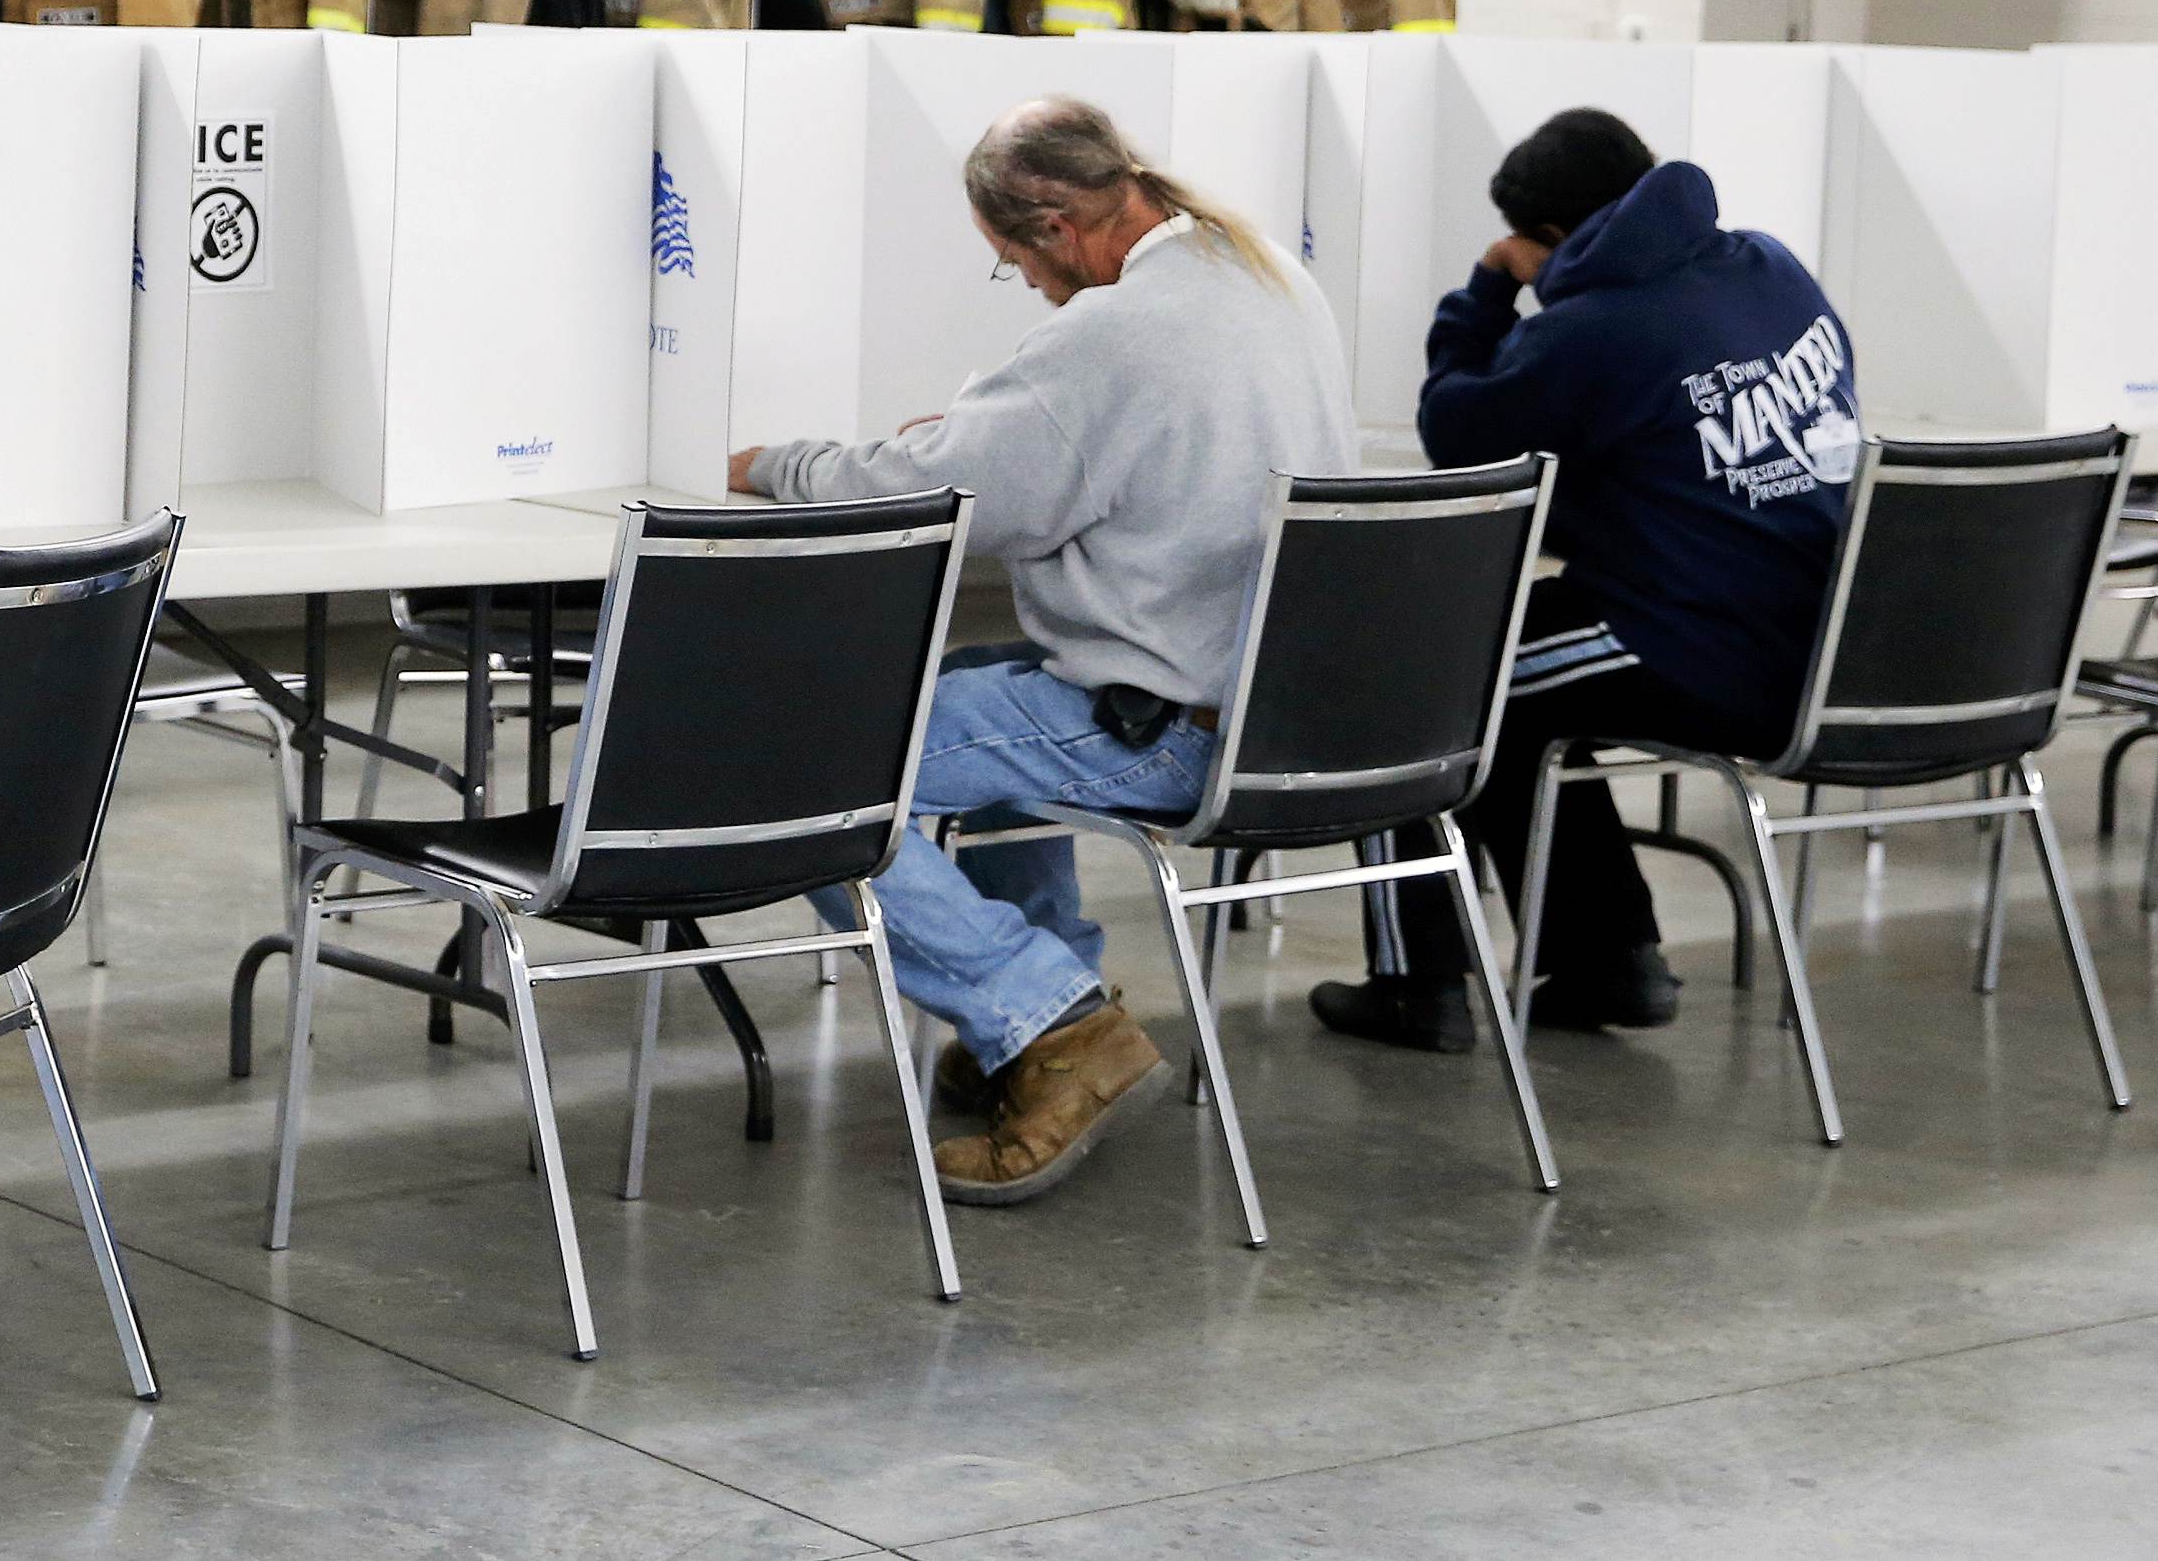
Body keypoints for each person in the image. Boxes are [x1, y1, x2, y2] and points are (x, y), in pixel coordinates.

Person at [731, 98, 1353, 1206]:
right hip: (1274, 713)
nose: (1023, 283)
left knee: (795, 771)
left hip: (1156, 730)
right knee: (977, 684)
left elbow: (938, 496)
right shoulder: (1262, 274)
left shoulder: (1115, 332)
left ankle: (1051, 1023)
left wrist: (770, 464)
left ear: (1054, 228)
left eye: (1010, 261)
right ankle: (1041, 1000)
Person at [1311, 108, 1860, 1052]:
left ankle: (1414, 986)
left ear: (1551, 238)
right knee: (1510, 680)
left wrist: (1488, 288)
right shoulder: (1768, 264)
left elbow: (1459, 430)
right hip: (1824, 635)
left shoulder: (1596, 327)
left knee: (1416, 673)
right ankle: (1608, 960)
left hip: (1704, 644)